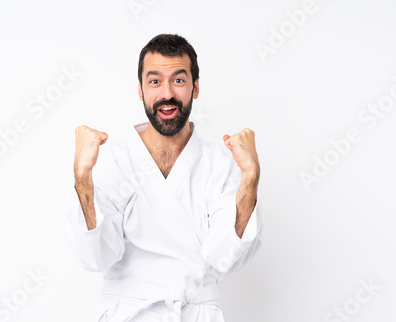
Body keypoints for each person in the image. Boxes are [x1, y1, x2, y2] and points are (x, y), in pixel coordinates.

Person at [66, 34, 262, 322]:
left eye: (179, 80)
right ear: (141, 90)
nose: (167, 94)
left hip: (195, 313)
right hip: (128, 313)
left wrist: (250, 177)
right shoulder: (113, 161)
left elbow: (226, 257)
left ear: (195, 88)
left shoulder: (220, 164)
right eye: (155, 81)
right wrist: (82, 176)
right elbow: (95, 257)